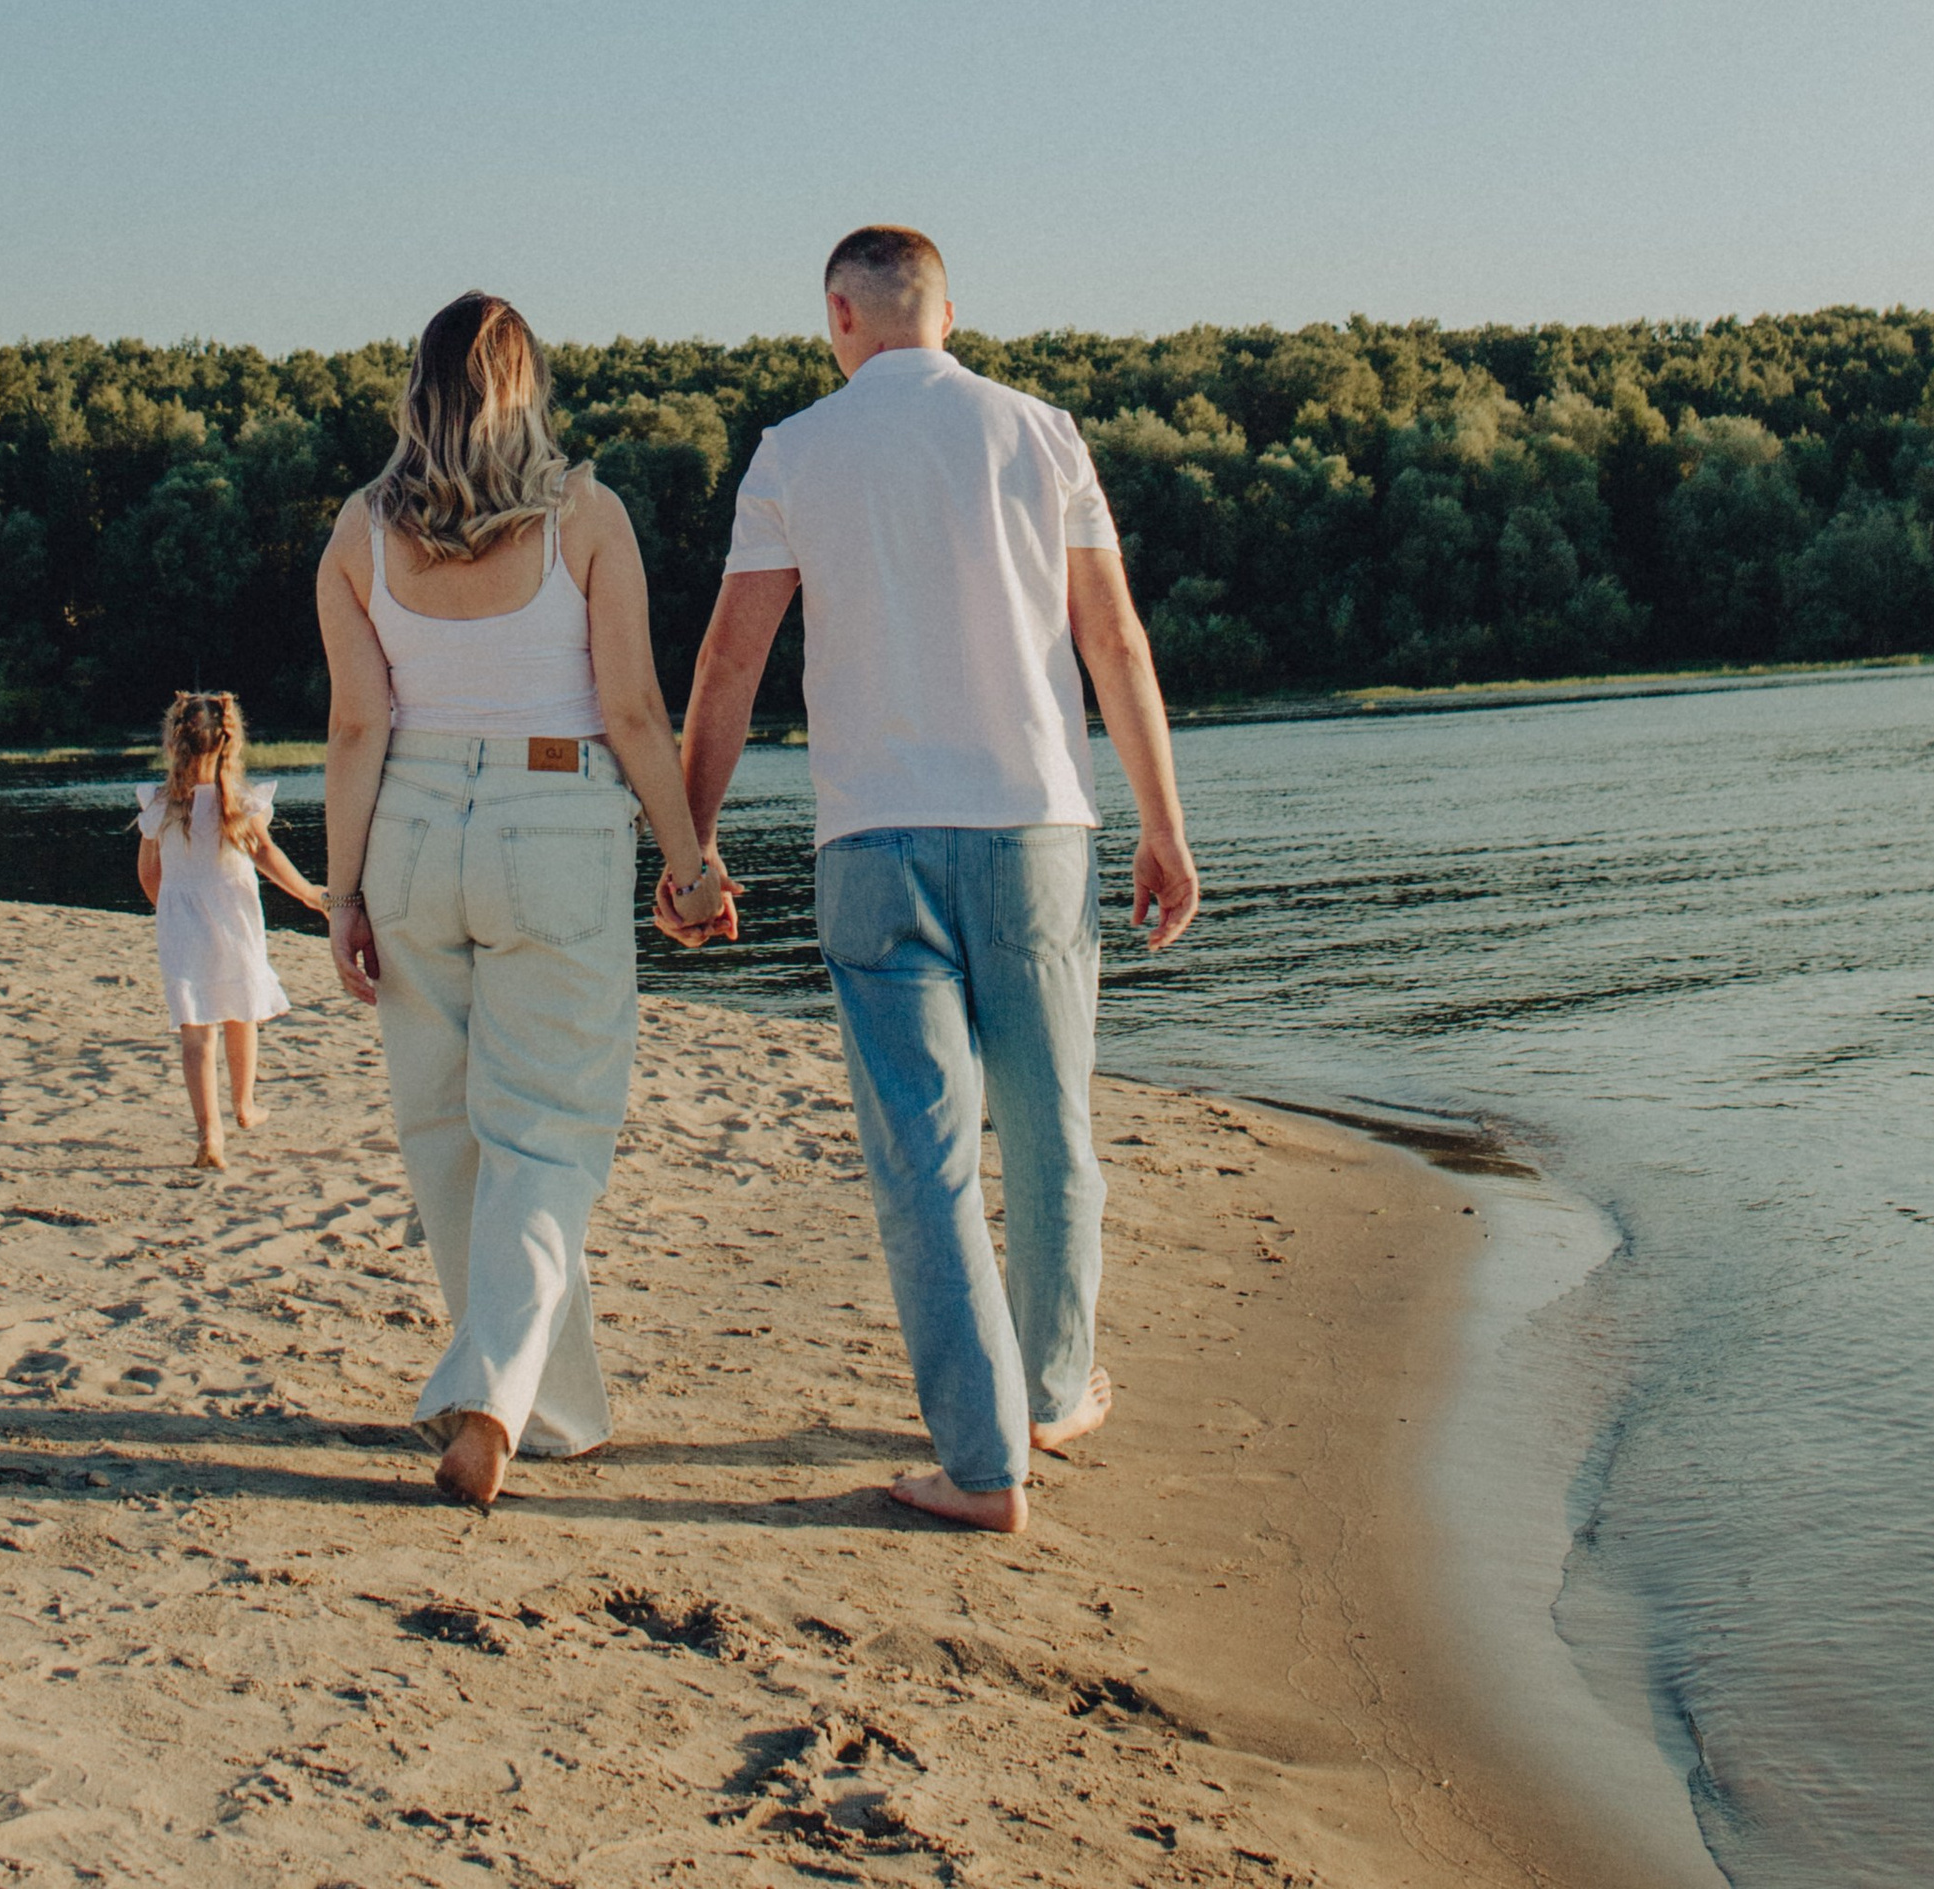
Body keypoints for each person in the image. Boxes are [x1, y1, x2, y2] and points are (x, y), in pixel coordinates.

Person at [672, 224, 1200, 1536]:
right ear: (947, 313)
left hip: (872, 840)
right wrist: (1164, 823)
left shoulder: (795, 451)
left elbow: (729, 661)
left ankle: (981, 1463)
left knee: (924, 1155)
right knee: (1053, 1125)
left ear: (838, 317)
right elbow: (1114, 638)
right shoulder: (1042, 432)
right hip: (1035, 828)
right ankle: (1055, 1391)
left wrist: (692, 844)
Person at [317, 291, 729, 1509]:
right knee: (547, 1129)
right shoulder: (585, 517)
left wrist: (340, 895)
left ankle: (551, 1410)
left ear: (419, 395)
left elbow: (354, 726)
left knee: (445, 1132)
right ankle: (497, 1396)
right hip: (553, 818)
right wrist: (688, 861)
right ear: (526, 390)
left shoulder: (358, 533)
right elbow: (634, 711)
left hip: (407, 826)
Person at [136, 686, 329, 1171]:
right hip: (235, 917)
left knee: (196, 1029)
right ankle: (244, 1106)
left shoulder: (160, 805)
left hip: (182, 924)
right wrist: (310, 894)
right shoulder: (241, 802)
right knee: (243, 1011)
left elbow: (148, 873)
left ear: (172, 745)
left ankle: (210, 1135)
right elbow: (267, 856)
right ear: (230, 742)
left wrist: (170, 911)